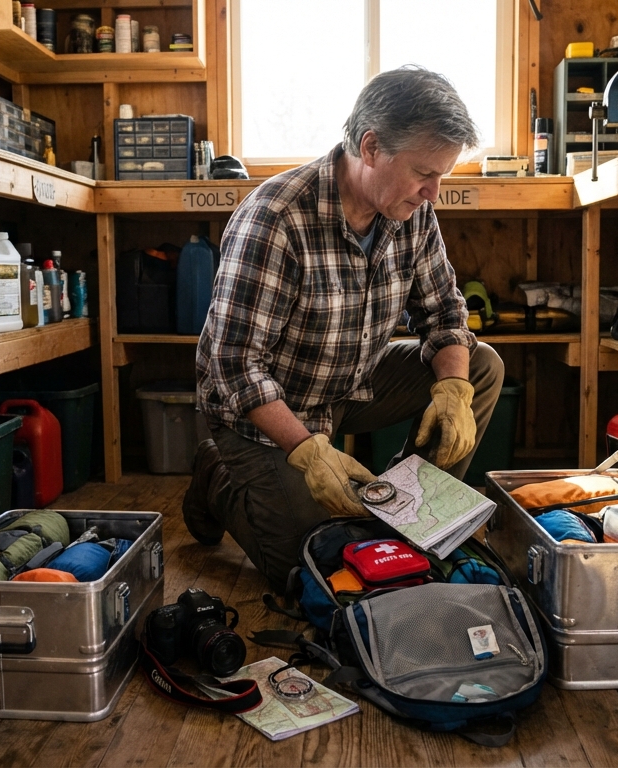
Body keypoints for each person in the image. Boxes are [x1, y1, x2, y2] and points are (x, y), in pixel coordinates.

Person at [182, 66, 505, 592]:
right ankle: (216, 477)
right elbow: (233, 366)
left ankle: (404, 511)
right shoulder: (275, 217)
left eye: (443, 175)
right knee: (310, 571)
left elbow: (444, 315)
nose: (434, 193)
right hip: (265, 413)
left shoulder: (411, 210)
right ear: (371, 147)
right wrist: (307, 450)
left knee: (480, 367)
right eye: (425, 173)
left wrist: (452, 389)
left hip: (349, 384)